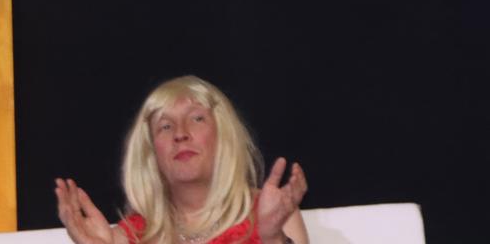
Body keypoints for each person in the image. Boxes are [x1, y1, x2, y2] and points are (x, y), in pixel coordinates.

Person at [55, 75, 308, 244]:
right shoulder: (127, 237)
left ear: (224, 135)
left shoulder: (273, 214)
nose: (180, 134)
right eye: (165, 126)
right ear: (151, 153)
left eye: (197, 118)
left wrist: (273, 239)